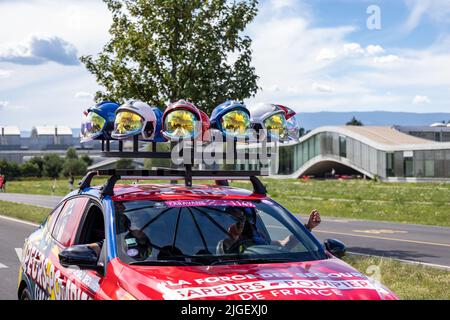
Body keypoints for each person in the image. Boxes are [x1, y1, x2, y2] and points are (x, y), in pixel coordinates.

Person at [217, 207, 321, 254]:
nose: (240, 223)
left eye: (243, 219)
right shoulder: (222, 243)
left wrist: (308, 227)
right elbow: (223, 252)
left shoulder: (257, 236)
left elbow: (284, 244)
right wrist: (232, 239)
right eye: (236, 219)